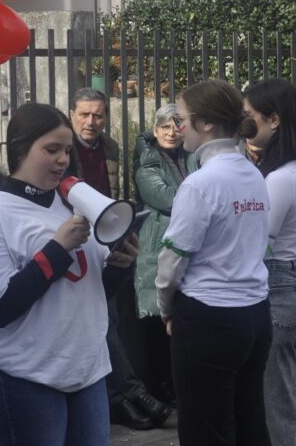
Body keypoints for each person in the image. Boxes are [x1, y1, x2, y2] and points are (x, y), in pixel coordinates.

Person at [0, 103, 139, 446]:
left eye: (66, 150)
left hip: (88, 370)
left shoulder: (75, 203)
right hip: (26, 375)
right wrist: (55, 250)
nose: (63, 159)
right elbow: (1, 310)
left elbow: (91, 290)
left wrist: (120, 266)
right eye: (51, 150)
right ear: (19, 149)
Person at [156, 79, 272, 446]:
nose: (178, 127)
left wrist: (165, 306)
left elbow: (173, 258)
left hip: (209, 317)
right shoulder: (253, 174)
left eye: (182, 118)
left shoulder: (201, 183)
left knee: (205, 429)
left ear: (205, 124)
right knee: (250, 421)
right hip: (254, 313)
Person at [69, 87, 169, 429]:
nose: (91, 121)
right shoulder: (66, 150)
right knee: (103, 319)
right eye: (84, 114)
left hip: (109, 239)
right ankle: (128, 394)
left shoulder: (110, 147)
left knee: (110, 318)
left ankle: (121, 396)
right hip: (78, 242)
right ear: (71, 115)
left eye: (98, 114)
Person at [243, 78, 296, 446]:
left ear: (273, 120)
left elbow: (259, 246)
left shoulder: (277, 179)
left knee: (278, 408)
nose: (244, 126)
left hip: (278, 295)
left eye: (250, 117)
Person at [132, 102, 196, 402]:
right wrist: (199, 194)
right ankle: (157, 387)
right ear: (155, 130)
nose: (172, 132)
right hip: (156, 247)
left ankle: (174, 385)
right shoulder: (148, 162)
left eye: (177, 126)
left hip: (187, 248)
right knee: (156, 324)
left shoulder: (192, 156)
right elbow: (163, 197)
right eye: (165, 127)